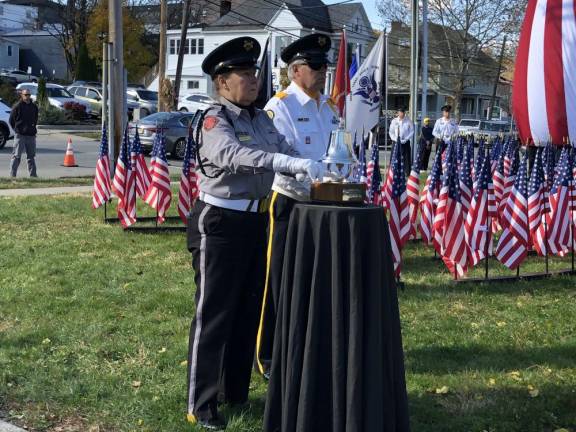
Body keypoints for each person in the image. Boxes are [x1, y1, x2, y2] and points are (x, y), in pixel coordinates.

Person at [185, 36, 323, 431]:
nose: (252, 80)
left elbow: (286, 149)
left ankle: (235, 392)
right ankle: (201, 402)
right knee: (213, 313)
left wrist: (320, 167)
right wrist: (282, 161)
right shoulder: (215, 119)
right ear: (222, 81)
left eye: (254, 73)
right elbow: (232, 156)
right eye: (244, 74)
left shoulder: (260, 119)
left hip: (256, 220)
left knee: (248, 309)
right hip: (220, 222)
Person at [254, 33, 338, 380]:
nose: (323, 72)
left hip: (322, 204)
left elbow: (336, 153)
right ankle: (268, 356)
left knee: (312, 280)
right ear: (296, 70)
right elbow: (280, 158)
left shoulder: (328, 107)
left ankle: (305, 346)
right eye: (316, 66)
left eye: (325, 65)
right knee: (276, 281)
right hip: (288, 202)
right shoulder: (281, 106)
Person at [9, 89, 39, 177]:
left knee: (31, 157)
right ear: (22, 95)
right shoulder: (17, 106)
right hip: (20, 135)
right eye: (25, 95)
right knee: (16, 156)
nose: (27, 96)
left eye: (29, 95)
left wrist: (32, 128)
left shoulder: (34, 106)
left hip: (31, 135)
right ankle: (12, 176)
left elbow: (35, 118)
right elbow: (11, 120)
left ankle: (33, 176)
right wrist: (17, 130)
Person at [389, 107, 414, 175]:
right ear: (398, 113)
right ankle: (393, 171)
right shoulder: (394, 121)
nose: (402, 114)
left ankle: (406, 172)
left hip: (405, 142)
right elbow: (391, 132)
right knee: (394, 156)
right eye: (400, 112)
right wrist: (395, 139)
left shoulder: (408, 121)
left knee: (406, 157)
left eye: (403, 112)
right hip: (396, 141)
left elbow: (412, 131)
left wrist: (406, 139)